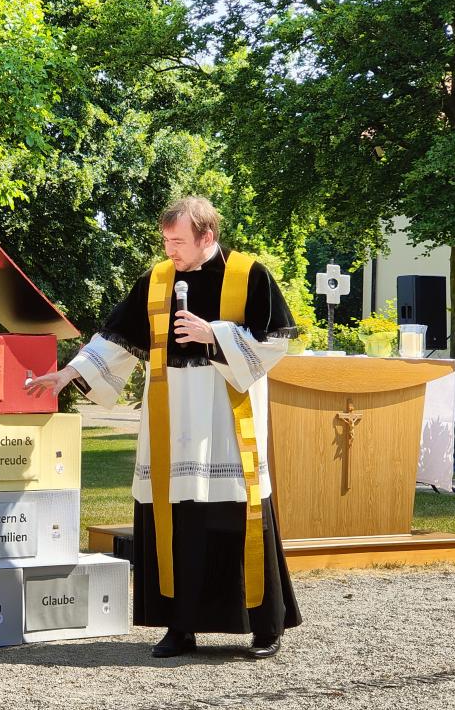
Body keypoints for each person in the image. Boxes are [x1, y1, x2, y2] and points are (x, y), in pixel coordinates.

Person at [25, 196, 301, 659]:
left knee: (237, 517)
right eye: (166, 241)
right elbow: (117, 339)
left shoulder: (249, 275)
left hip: (226, 419)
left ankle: (263, 627)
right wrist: (70, 372)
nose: (170, 251)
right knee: (178, 521)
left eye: (178, 242)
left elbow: (275, 342)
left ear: (207, 236)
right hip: (172, 419)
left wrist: (215, 334)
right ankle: (180, 626)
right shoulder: (156, 281)